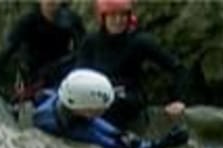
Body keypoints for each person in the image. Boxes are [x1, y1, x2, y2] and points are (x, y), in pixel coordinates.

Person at [76, 0, 187, 131]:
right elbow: (79, 76)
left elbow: (177, 68)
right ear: (103, 18)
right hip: (97, 96)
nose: (118, 20)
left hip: (127, 99)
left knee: (117, 104)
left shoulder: (139, 41)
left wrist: (179, 100)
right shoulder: (91, 42)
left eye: (123, 15)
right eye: (113, 16)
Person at [33, 68, 189, 148]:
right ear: (85, 109)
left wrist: (119, 134)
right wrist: (163, 143)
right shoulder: (62, 124)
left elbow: (96, 124)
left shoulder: (67, 102)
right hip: (66, 124)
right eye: (98, 109)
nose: (103, 111)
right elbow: (111, 143)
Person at [0, 0, 85, 104]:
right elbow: (8, 49)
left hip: (62, 73)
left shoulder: (71, 20)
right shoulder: (28, 21)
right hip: (35, 77)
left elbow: (83, 50)